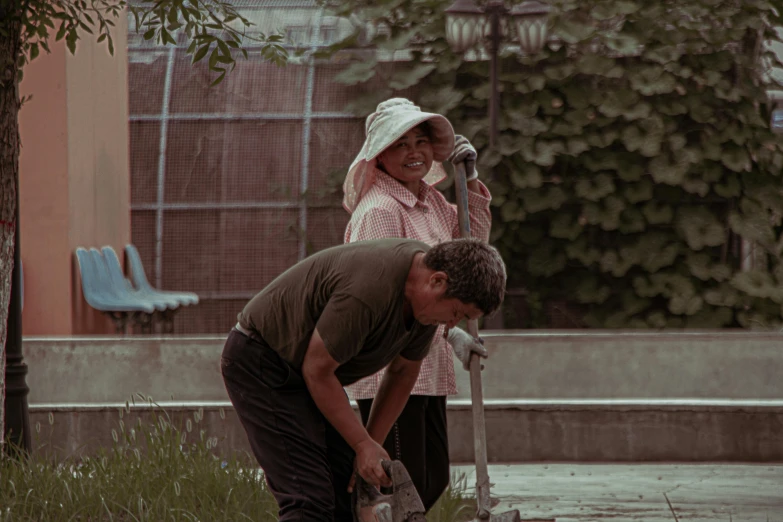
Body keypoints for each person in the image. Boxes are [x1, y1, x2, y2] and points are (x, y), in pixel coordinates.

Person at [220, 237, 507, 522]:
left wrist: (368, 448)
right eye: (456, 312)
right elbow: (317, 369)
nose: (451, 325)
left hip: (305, 372)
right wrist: (360, 444)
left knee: (347, 487)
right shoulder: (372, 289)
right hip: (262, 362)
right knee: (309, 498)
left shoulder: (423, 307)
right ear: (437, 281)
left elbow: (402, 373)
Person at [342, 98, 493, 510]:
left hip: (428, 363)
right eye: (400, 144)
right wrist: (446, 330)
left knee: (432, 477)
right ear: (379, 156)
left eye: (421, 141)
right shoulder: (380, 211)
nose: (414, 153)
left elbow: (471, 252)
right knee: (398, 482)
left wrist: (471, 181)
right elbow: (376, 297)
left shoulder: (428, 203)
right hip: (391, 366)